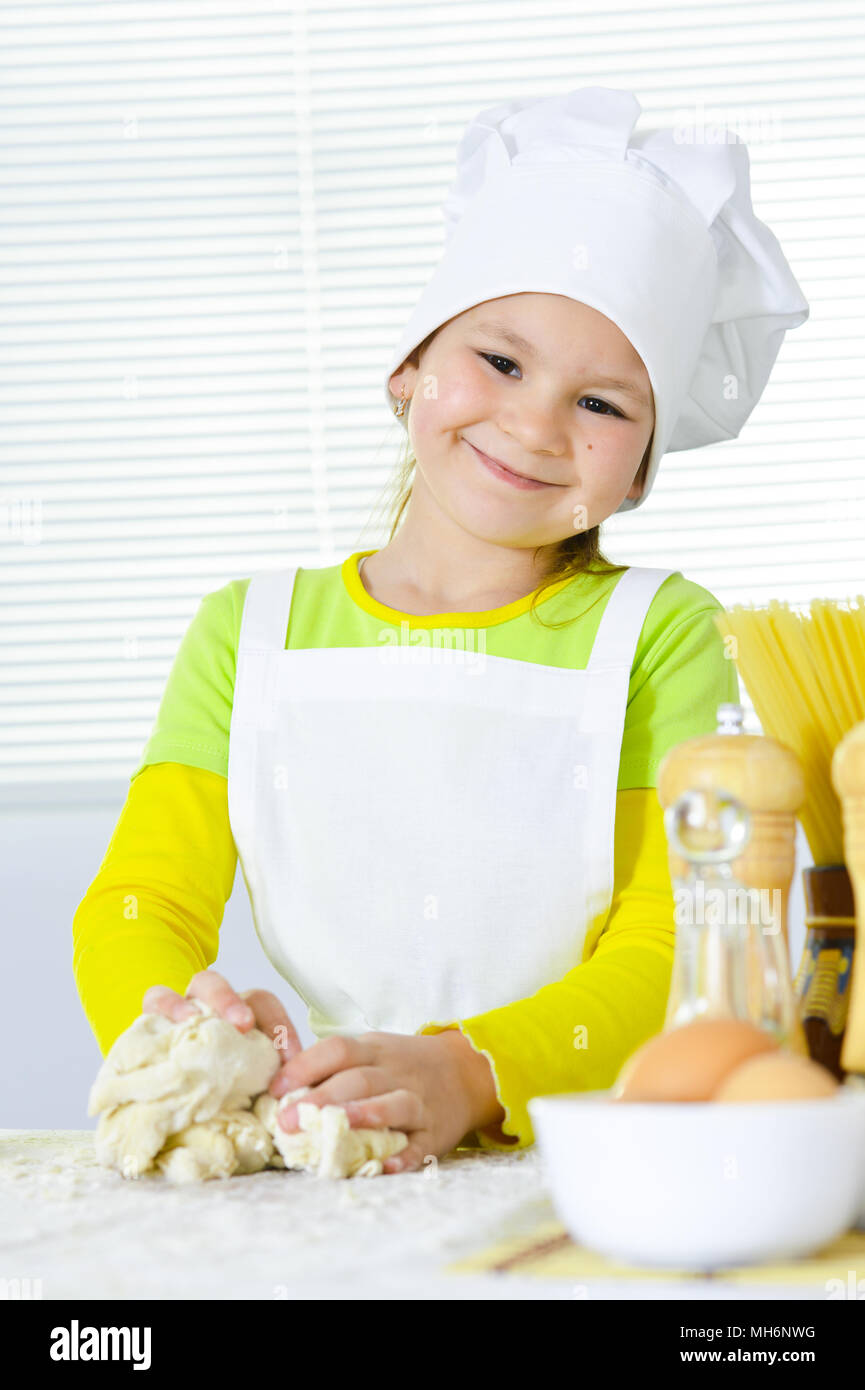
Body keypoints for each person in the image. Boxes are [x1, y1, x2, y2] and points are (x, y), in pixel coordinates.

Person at [72, 86, 808, 1173]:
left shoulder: (663, 635)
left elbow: (676, 939)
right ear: (407, 370)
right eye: (499, 362)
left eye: (602, 404)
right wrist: (182, 1024)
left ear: (642, 471)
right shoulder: (249, 633)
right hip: (347, 1149)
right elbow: (142, 896)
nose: (532, 423)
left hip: (587, 1156)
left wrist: (471, 1072)